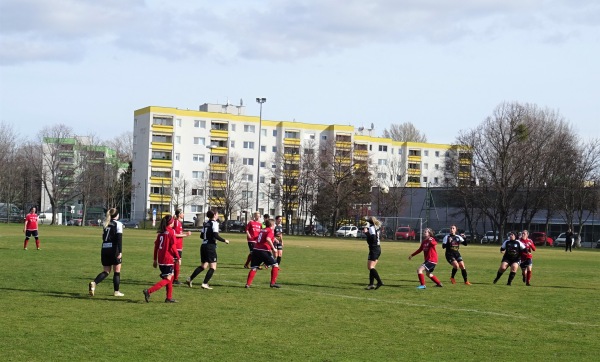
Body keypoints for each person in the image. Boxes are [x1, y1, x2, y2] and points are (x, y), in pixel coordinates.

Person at [186, 210, 229, 289]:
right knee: (213, 267)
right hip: (210, 247)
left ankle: (190, 278)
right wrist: (224, 240)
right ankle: (205, 283)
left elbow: (202, 236)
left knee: (203, 266)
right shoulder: (215, 223)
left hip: (203, 246)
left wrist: (209, 236)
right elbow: (216, 235)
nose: (218, 215)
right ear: (215, 215)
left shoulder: (206, 224)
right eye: (217, 213)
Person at [143, 215, 180, 303]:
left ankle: (169, 298)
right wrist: (178, 257)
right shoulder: (171, 232)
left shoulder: (161, 233)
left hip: (161, 259)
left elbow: (156, 247)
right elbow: (173, 246)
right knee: (167, 279)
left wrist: (155, 259)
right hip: (168, 259)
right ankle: (148, 291)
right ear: (171, 222)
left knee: (170, 278)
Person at [88, 208, 124, 297]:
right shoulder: (118, 224)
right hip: (114, 249)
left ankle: (94, 283)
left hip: (104, 248)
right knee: (117, 271)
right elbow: (119, 239)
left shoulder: (105, 223)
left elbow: (103, 237)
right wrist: (120, 252)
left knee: (106, 271)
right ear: (117, 215)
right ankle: (116, 291)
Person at [245, 219, 280, 288]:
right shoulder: (270, 230)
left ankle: (247, 284)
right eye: (274, 224)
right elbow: (267, 239)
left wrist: (274, 239)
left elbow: (259, 237)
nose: (275, 226)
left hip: (256, 250)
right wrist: (273, 248)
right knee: (275, 265)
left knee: (254, 268)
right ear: (272, 225)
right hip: (263, 250)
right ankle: (272, 283)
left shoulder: (262, 230)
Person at [172, 209, 192, 285]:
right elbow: (175, 235)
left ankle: (173, 278)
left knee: (176, 262)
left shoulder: (178, 222)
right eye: (182, 213)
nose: (183, 214)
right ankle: (175, 279)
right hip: (176, 245)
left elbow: (179, 234)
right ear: (179, 214)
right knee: (177, 262)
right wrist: (186, 235)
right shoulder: (176, 222)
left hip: (179, 245)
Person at [364, 216, 384, 290]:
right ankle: (371, 284)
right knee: (371, 267)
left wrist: (366, 233)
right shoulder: (375, 227)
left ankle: (379, 282)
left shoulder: (372, 228)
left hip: (374, 249)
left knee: (370, 267)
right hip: (377, 248)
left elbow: (373, 238)